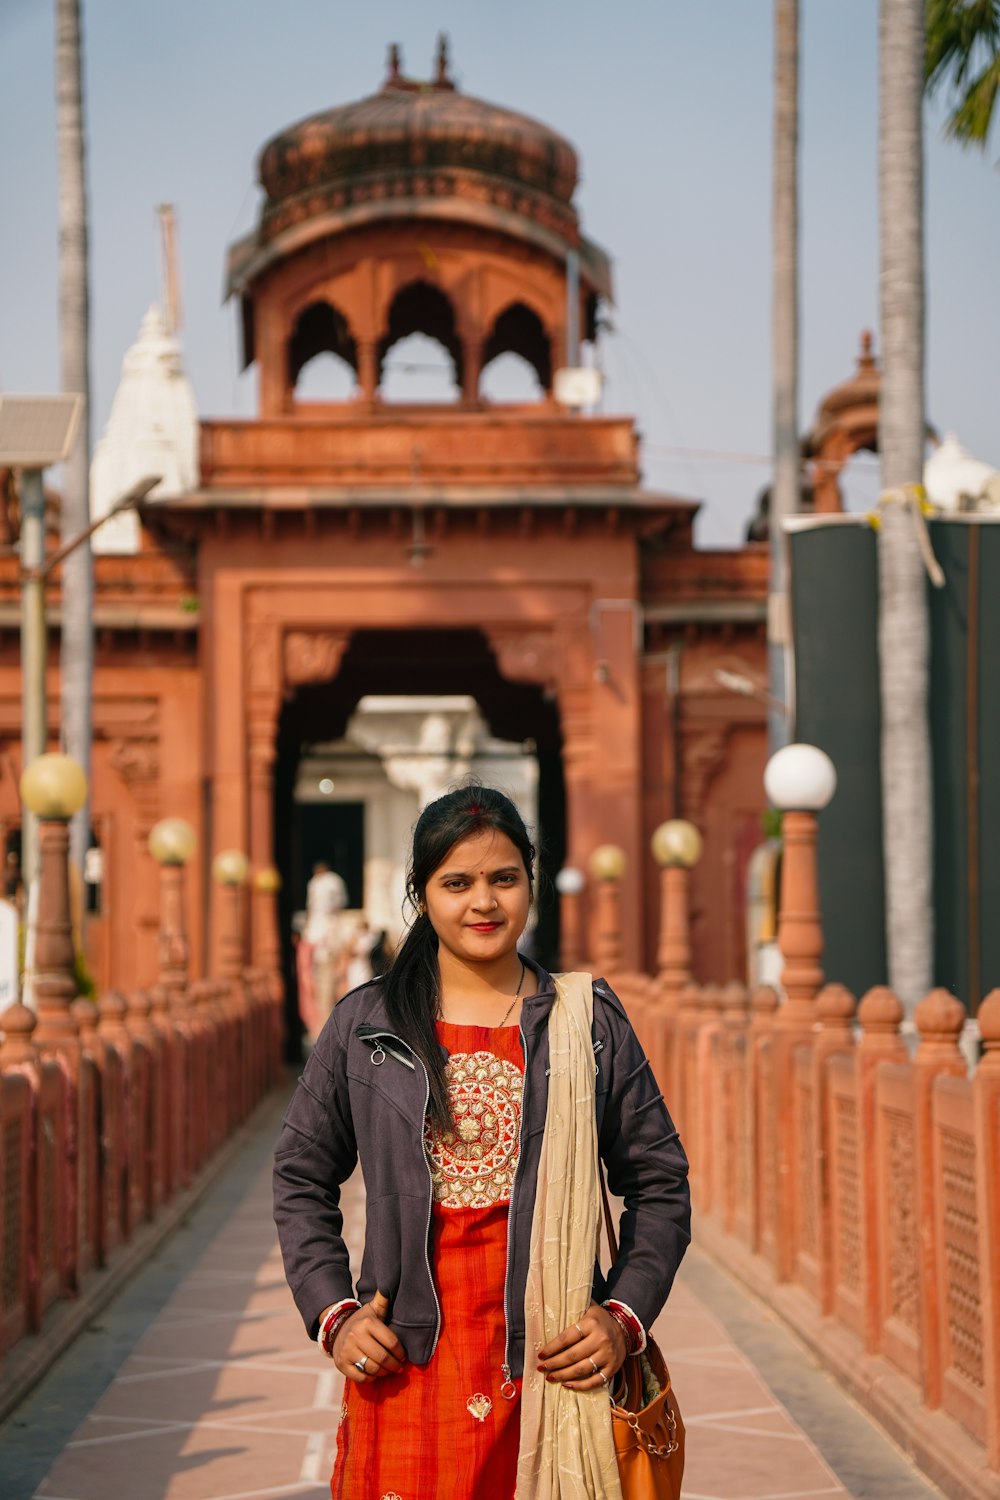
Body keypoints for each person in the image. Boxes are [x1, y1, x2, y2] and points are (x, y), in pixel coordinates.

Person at [273, 785, 690, 1499]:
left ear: (531, 880)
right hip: (405, 1362)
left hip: (553, 1361)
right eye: (456, 883)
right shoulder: (367, 1026)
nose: (483, 903)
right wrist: (335, 1315)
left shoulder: (586, 1021)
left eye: (504, 879)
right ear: (422, 893)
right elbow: (300, 1178)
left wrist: (623, 1318)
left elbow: (659, 1183)